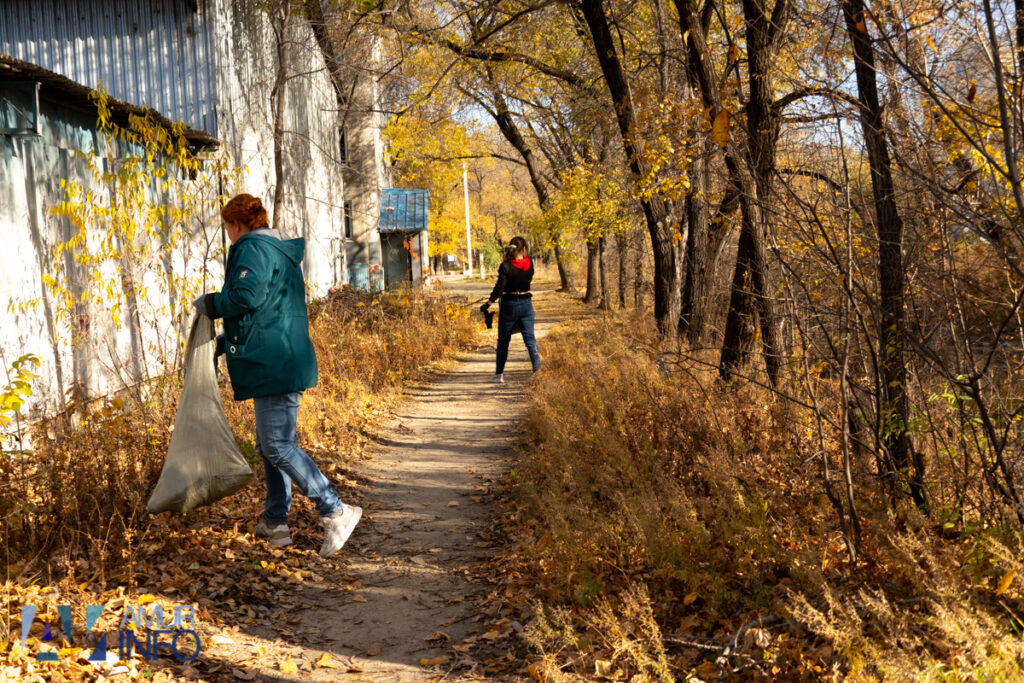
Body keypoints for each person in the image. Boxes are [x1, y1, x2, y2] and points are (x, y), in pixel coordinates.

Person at [192, 193, 360, 557]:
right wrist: (230, 338)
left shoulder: (252, 247)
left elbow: (246, 297)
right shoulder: (278, 250)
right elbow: (271, 310)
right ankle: (275, 522)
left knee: (278, 445)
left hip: (275, 362)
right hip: (280, 355)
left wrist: (212, 304)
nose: (228, 235)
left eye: (227, 228)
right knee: (271, 445)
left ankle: (336, 510)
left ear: (235, 225)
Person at [482, 236, 540, 383]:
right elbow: (527, 277)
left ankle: (499, 375)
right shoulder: (530, 262)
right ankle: (538, 372)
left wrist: (488, 303)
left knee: (503, 340)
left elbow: (499, 288)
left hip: (509, 305)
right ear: (524, 248)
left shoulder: (506, 266)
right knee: (530, 340)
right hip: (527, 303)